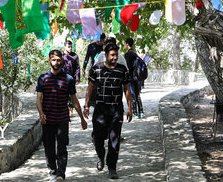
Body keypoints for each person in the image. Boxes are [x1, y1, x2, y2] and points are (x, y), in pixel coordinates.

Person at [36, 49, 88, 182]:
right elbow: (38, 99)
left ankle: (60, 174)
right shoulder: (43, 78)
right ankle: (52, 171)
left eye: (58, 60)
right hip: (47, 120)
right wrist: (41, 113)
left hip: (62, 119)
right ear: (49, 61)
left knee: (62, 148)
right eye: (54, 60)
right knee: (49, 148)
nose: (56, 62)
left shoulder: (68, 79)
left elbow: (74, 100)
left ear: (62, 61)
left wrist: (82, 118)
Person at [84, 43, 132, 180]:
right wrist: (86, 105)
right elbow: (90, 88)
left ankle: (112, 167)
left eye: (116, 55)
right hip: (100, 109)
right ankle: (100, 156)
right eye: (112, 55)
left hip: (116, 109)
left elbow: (127, 89)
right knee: (97, 137)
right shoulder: (97, 69)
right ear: (105, 55)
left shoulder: (122, 70)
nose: (115, 57)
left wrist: (130, 107)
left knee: (114, 139)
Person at [123, 37, 144, 118]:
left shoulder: (127, 54)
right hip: (137, 78)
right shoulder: (135, 54)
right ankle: (141, 111)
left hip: (131, 77)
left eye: (125, 44)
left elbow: (127, 67)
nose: (125, 45)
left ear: (127, 44)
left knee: (133, 95)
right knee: (137, 94)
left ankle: (135, 112)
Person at [62, 40, 81, 115]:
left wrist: (77, 78)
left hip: (71, 79)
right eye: (68, 47)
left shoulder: (75, 56)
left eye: (71, 47)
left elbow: (77, 68)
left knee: (72, 94)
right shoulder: (61, 56)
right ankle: (64, 109)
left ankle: (71, 109)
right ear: (65, 47)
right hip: (62, 79)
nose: (70, 48)